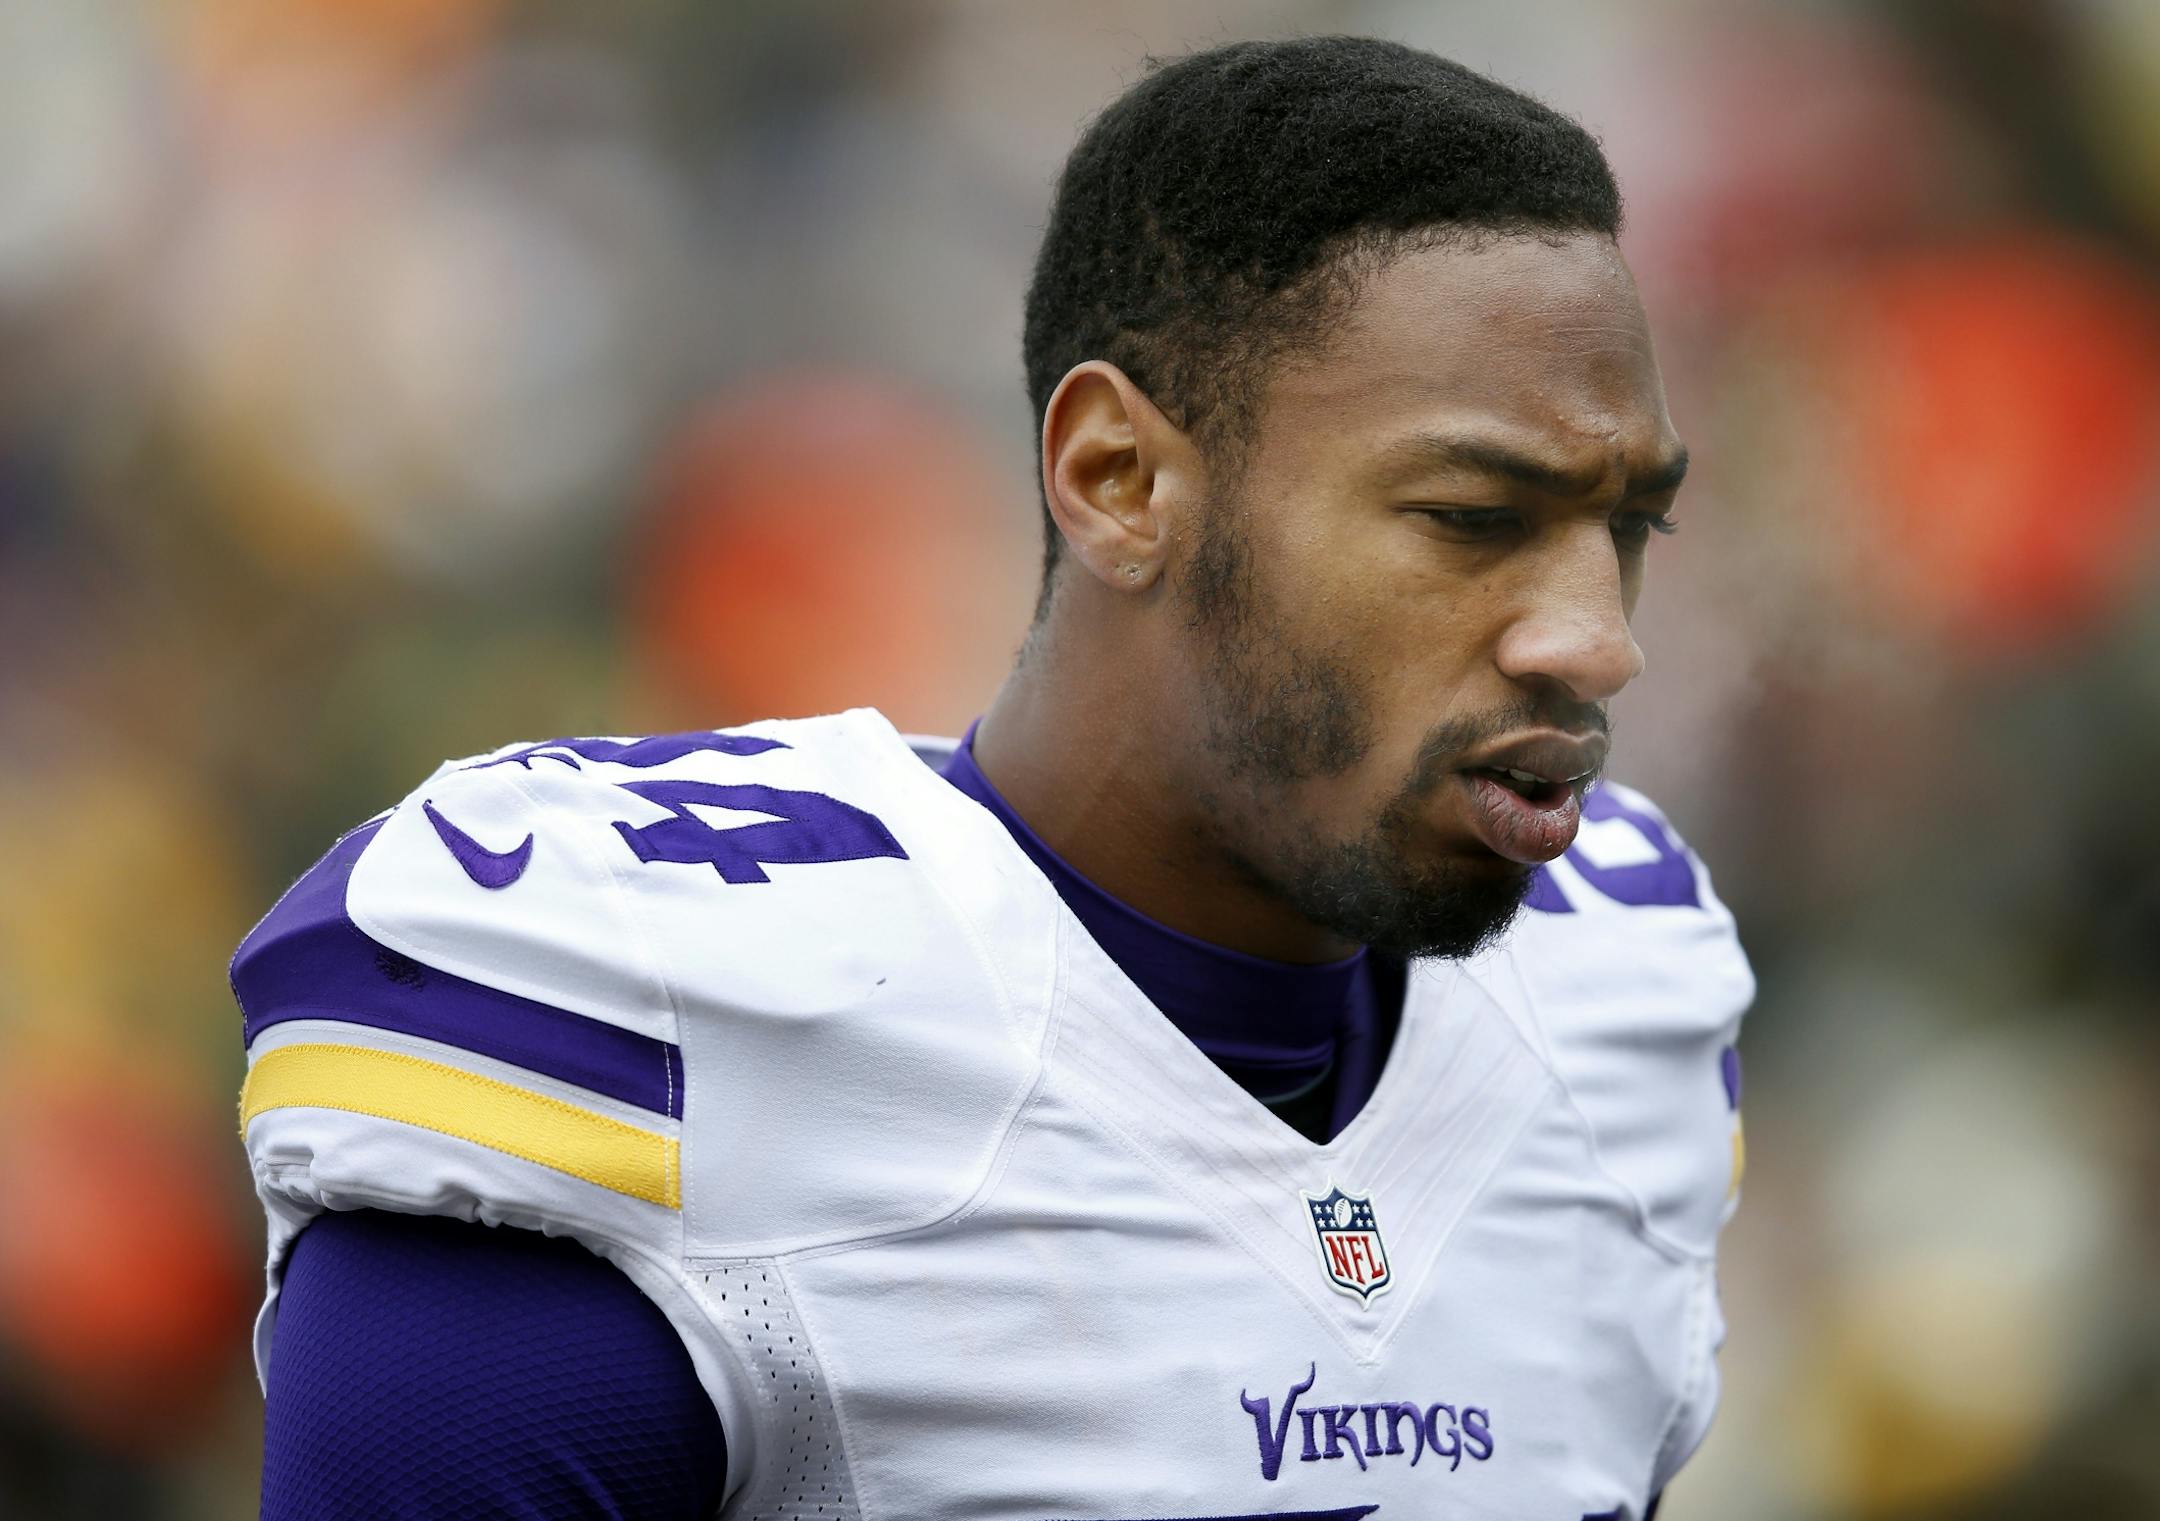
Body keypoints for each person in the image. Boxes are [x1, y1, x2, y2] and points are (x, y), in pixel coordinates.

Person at [235, 35, 1751, 1520]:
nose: (1599, 641)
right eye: (1475, 516)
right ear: (1118, 481)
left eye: (1629, 526)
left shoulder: (1623, 1005)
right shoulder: (663, 1020)